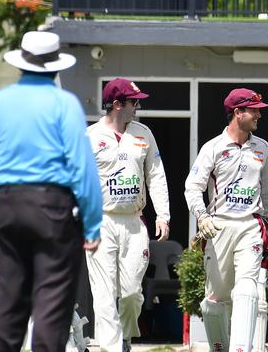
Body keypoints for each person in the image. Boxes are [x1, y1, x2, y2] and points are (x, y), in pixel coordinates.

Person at [0, 31, 102, 351]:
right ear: (56, 67)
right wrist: (92, 223)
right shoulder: (64, 104)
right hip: (53, 207)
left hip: (8, 203)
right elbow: (82, 168)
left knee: (11, 300)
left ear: (20, 65)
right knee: (52, 302)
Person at [184, 88, 268, 352]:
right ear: (238, 112)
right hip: (219, 227)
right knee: (214, 301)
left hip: (250, 225)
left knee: (248, 290)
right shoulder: (212, 147)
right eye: (254, 109)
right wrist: (201, 217)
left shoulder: (263, 147)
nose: (259, 114)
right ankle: (220, 347)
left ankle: (240, 349)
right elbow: (192, 187)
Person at [87, 78, 171, 351]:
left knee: (133, 293)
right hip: (102, 221)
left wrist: (163, 215)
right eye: (134, 102)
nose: (137, 106)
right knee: (103, 292)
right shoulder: (90, 137)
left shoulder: (143, 133)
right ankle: (111, 347)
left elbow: (156, 175)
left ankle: (124, 337)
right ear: (116, 104)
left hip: (135, 221)